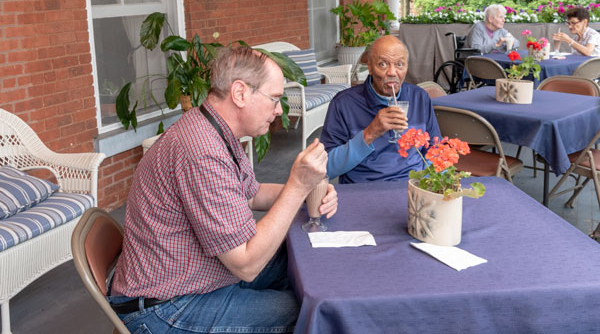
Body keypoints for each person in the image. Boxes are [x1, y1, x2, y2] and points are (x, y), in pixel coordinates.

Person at [108, 47, 338, 334]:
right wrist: (297, 185)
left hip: (197, 275)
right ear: (240, 93)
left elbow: (252, 194)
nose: (279, 109)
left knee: (296, 259)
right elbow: (246, 265)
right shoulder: (201, 151)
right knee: (309, 311)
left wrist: (307, 192)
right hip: (167, 305)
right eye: (275, 98)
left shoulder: (214, 129)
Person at [320, 35, 441, 184]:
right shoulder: (344, 103)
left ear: (407, 67)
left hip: (413, 185)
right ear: (370, 67)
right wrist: (370, 133)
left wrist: (427, 186)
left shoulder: (419, 97)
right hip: (363, 189)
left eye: (399, 64)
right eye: (383, 64)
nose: (392, 72)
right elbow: (326, 169)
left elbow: (435, 151)